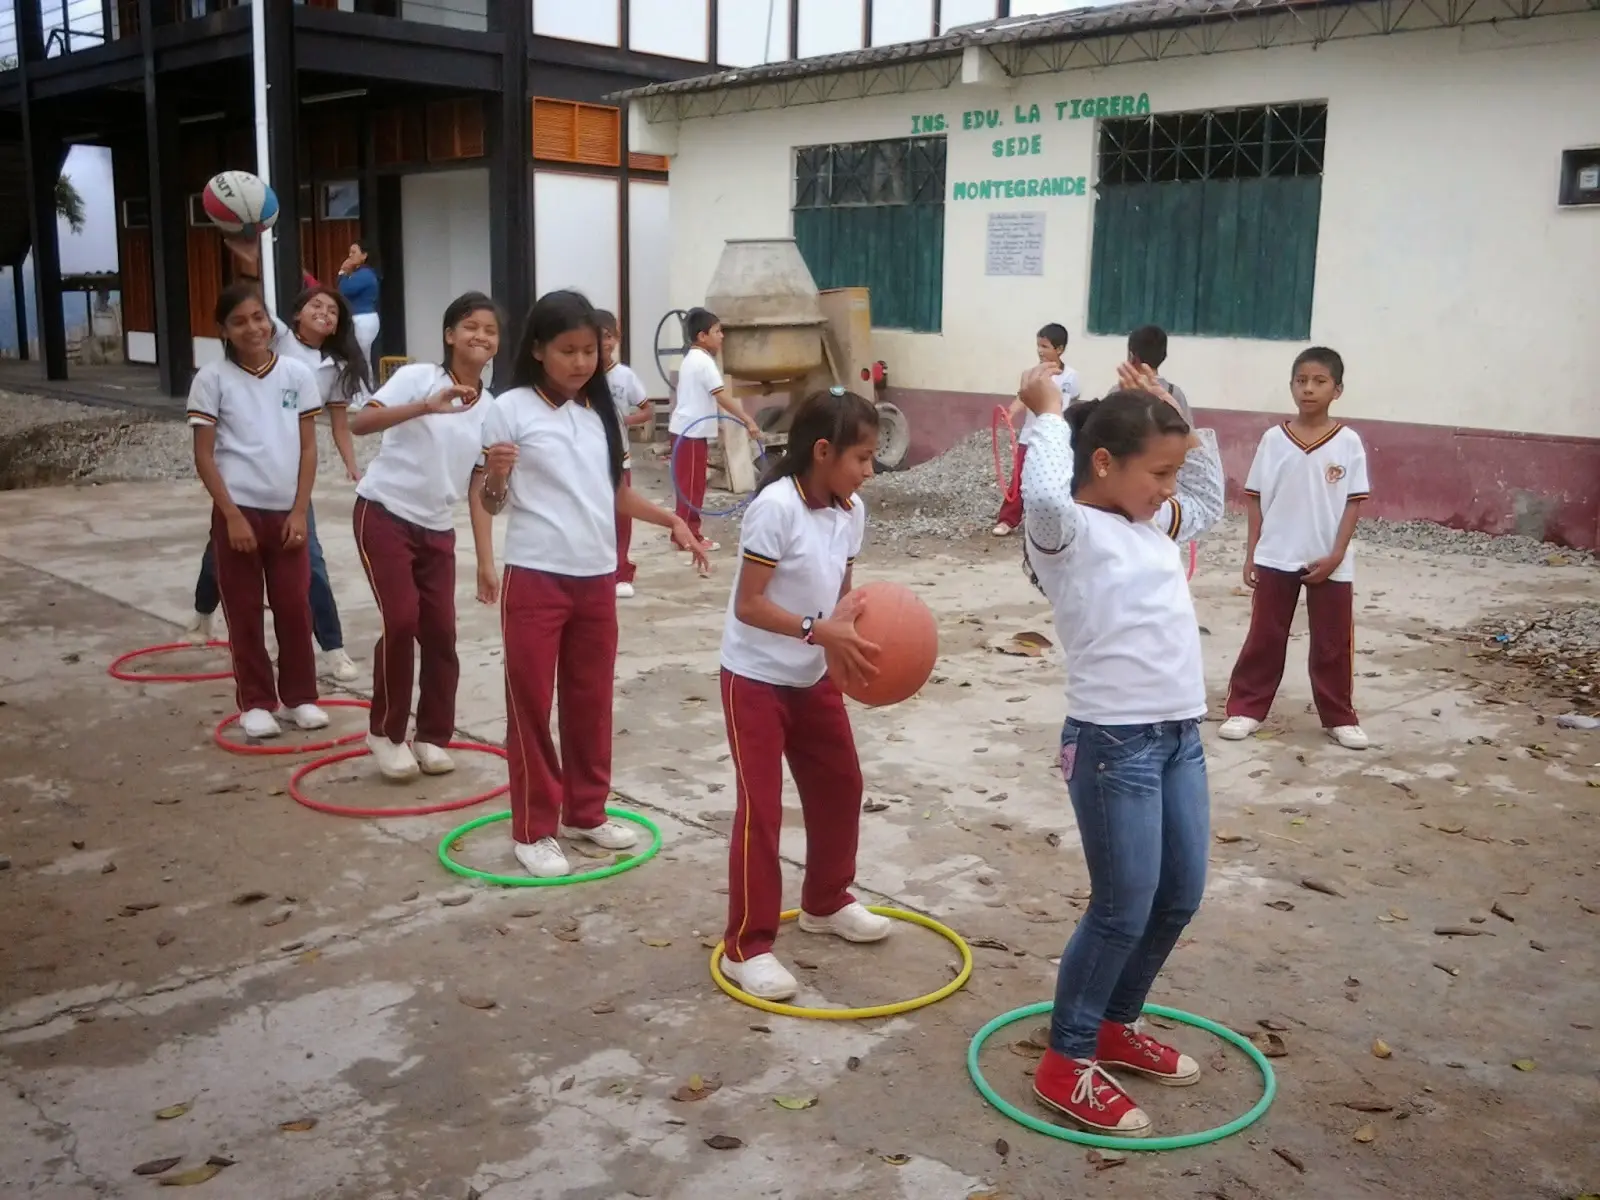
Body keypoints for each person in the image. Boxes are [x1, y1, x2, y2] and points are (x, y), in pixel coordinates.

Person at [1016, 360, 1226, 1136]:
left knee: (1178, 897)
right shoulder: (1067, 532)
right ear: (1103, 462)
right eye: (1158, 472)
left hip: (1179, 738)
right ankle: (1065, 1060)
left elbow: (1206, 499)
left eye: (1172, 471)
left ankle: (1113, 1025)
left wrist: (1181, 417)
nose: (1170, 488)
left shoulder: (1152, 521)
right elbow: (1042, 490)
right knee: (1121, 908)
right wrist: (1044, 412)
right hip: (1114, 747)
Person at [471, 290, 711, 879]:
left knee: (590, 701)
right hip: (535, 576)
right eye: (568, 351)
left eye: (590, 351)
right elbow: (490, 501)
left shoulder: (601, 414)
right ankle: (532, 829)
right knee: (530, 704)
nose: (582, 363)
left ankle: (585, 811)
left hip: (595, 578)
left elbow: (615, 493)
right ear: (537, 350)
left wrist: (673, 520)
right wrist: (498, 475)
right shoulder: (510, 408)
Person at [716, 387, 888, 1001]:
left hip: (812, 677)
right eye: (862, 458)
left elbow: (842, 595)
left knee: (842, 784)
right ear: (822, 451)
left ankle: (825, 900)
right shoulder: (774, 508)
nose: (870, 470)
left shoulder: (851, 511)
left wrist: (848, 646)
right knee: (761, 810)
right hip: (755, 678)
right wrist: (819, 631)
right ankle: (747, 945)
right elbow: (750, 604)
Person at [347, 293, 502, 782]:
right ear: (450, 334)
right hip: (384, 512)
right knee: (401, 620)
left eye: (491, 330)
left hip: (437, 528)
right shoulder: (418, 378)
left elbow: (479, 485)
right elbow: (360, 422)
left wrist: (485, 561)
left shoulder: (491, 409)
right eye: (470, 326)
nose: (481, 336)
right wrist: (424, 407)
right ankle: (386, 733)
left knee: (441, 634)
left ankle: (432, 735)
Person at [184, 267, 365, 684]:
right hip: (241, 495)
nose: (324, 312)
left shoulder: (322, 369)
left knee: (305, 578)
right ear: (295, 315)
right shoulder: (266, 345)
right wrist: (250, 241)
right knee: (226, 568)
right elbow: (252, 285)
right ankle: (203, 618)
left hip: (288, 492)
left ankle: (331, 652)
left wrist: (349, 467)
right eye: (316, 304)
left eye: (332, 310)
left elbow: (328, 431)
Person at [188, 284, 330, 740]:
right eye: (239, 321)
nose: (253, 328)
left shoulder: (295, 373)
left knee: (294, 606)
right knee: (245, 609)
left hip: (288, 513)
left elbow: (309, 448)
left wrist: (299, 510)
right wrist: (230, 515)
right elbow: (205, 456)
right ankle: (256, 702)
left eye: (258, 317)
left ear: (271, 321)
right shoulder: (212, 379)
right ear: (223, 331)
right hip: (239, 514)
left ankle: (299, 697)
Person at [1220, 347, 1370, 750]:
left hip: (1328, 557)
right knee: (1265, 636)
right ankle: (1246, 708)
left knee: (1332, 642)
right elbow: (1254, 498)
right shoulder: (1273, 440)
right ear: (1291, 386)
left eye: (1319, 381)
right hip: (1276, 554)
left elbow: (1354, 501)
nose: (1309, 389)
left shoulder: (1349, 442)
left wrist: (1337, 554)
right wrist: (1252, 553)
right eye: (1301, 381)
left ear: (1337, 389)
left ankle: (1340, 716)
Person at [668, 307, 761, 552]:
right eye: (717, 331)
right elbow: (721, 396)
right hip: (689, 433)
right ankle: (690, 536)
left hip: (687, 431)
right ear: (702, 336)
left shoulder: (691, 359)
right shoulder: (703, 362)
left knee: (689, 487)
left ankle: (683, 533)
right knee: (691, 488)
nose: (722, 336)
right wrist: (747, 419)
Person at [994, 323, 1080, 537]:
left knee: (1060, 478)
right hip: (1030, 436)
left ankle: (1062, 521)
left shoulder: (1071, 376)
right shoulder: (1033, 375)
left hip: (1059, 437)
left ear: (1059, 349)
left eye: (1045, 346)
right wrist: (1010, 413)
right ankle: (1008, 519)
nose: (1040, 351)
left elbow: (1073, 401)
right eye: (1038, 346)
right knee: (1019, 478)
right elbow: (1023, 398)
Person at [597, 309, 653, 600]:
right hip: (591, 460)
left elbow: (647, 410)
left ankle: (621, 571)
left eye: (609, 336)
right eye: (598, 336)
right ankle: (600, 571)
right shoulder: (584, 376)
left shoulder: (624, 376)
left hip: (621, 458)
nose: (604, 343)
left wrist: (625, 421)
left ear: (617, 338)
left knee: (622, 514)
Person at [1127, 325, 1193, 425]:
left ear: (1132, 356)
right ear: (1164, 356)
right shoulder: (1175, 393)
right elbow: (1190, 432)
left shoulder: (1118, 391)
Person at [337, 241, 381, 365]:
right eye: (349, 252)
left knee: (358, 356)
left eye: (354, 252)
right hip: (362, 317)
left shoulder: (365, 274)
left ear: (364, 255)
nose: (350, 255)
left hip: (363, 318)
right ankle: (367, 383)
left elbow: (344, 290)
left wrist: (342, 272)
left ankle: (365, 382)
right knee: (362, 357)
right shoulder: (361, 273)